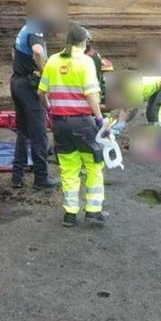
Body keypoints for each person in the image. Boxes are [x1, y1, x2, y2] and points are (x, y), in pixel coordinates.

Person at [38, 23, 106, 227]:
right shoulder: (85, 62)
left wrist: (50, 110)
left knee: (69, 170)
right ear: (84, 42)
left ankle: (70, 214)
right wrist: (100, 119)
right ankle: (93, 211)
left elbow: (41, 93)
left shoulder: (52, 61)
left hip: (60, 124)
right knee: (94, 166)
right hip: (83, 124)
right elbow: (91, 95)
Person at [9, 0, 65, 190]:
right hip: (29, 86)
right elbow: (38, 52)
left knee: (23, 131)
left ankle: (17, 176)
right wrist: (45, 75)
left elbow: (14, 53)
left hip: (17, 82)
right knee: (39, 133)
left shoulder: (25, 28)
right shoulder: (35, 30)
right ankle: (41, 178)